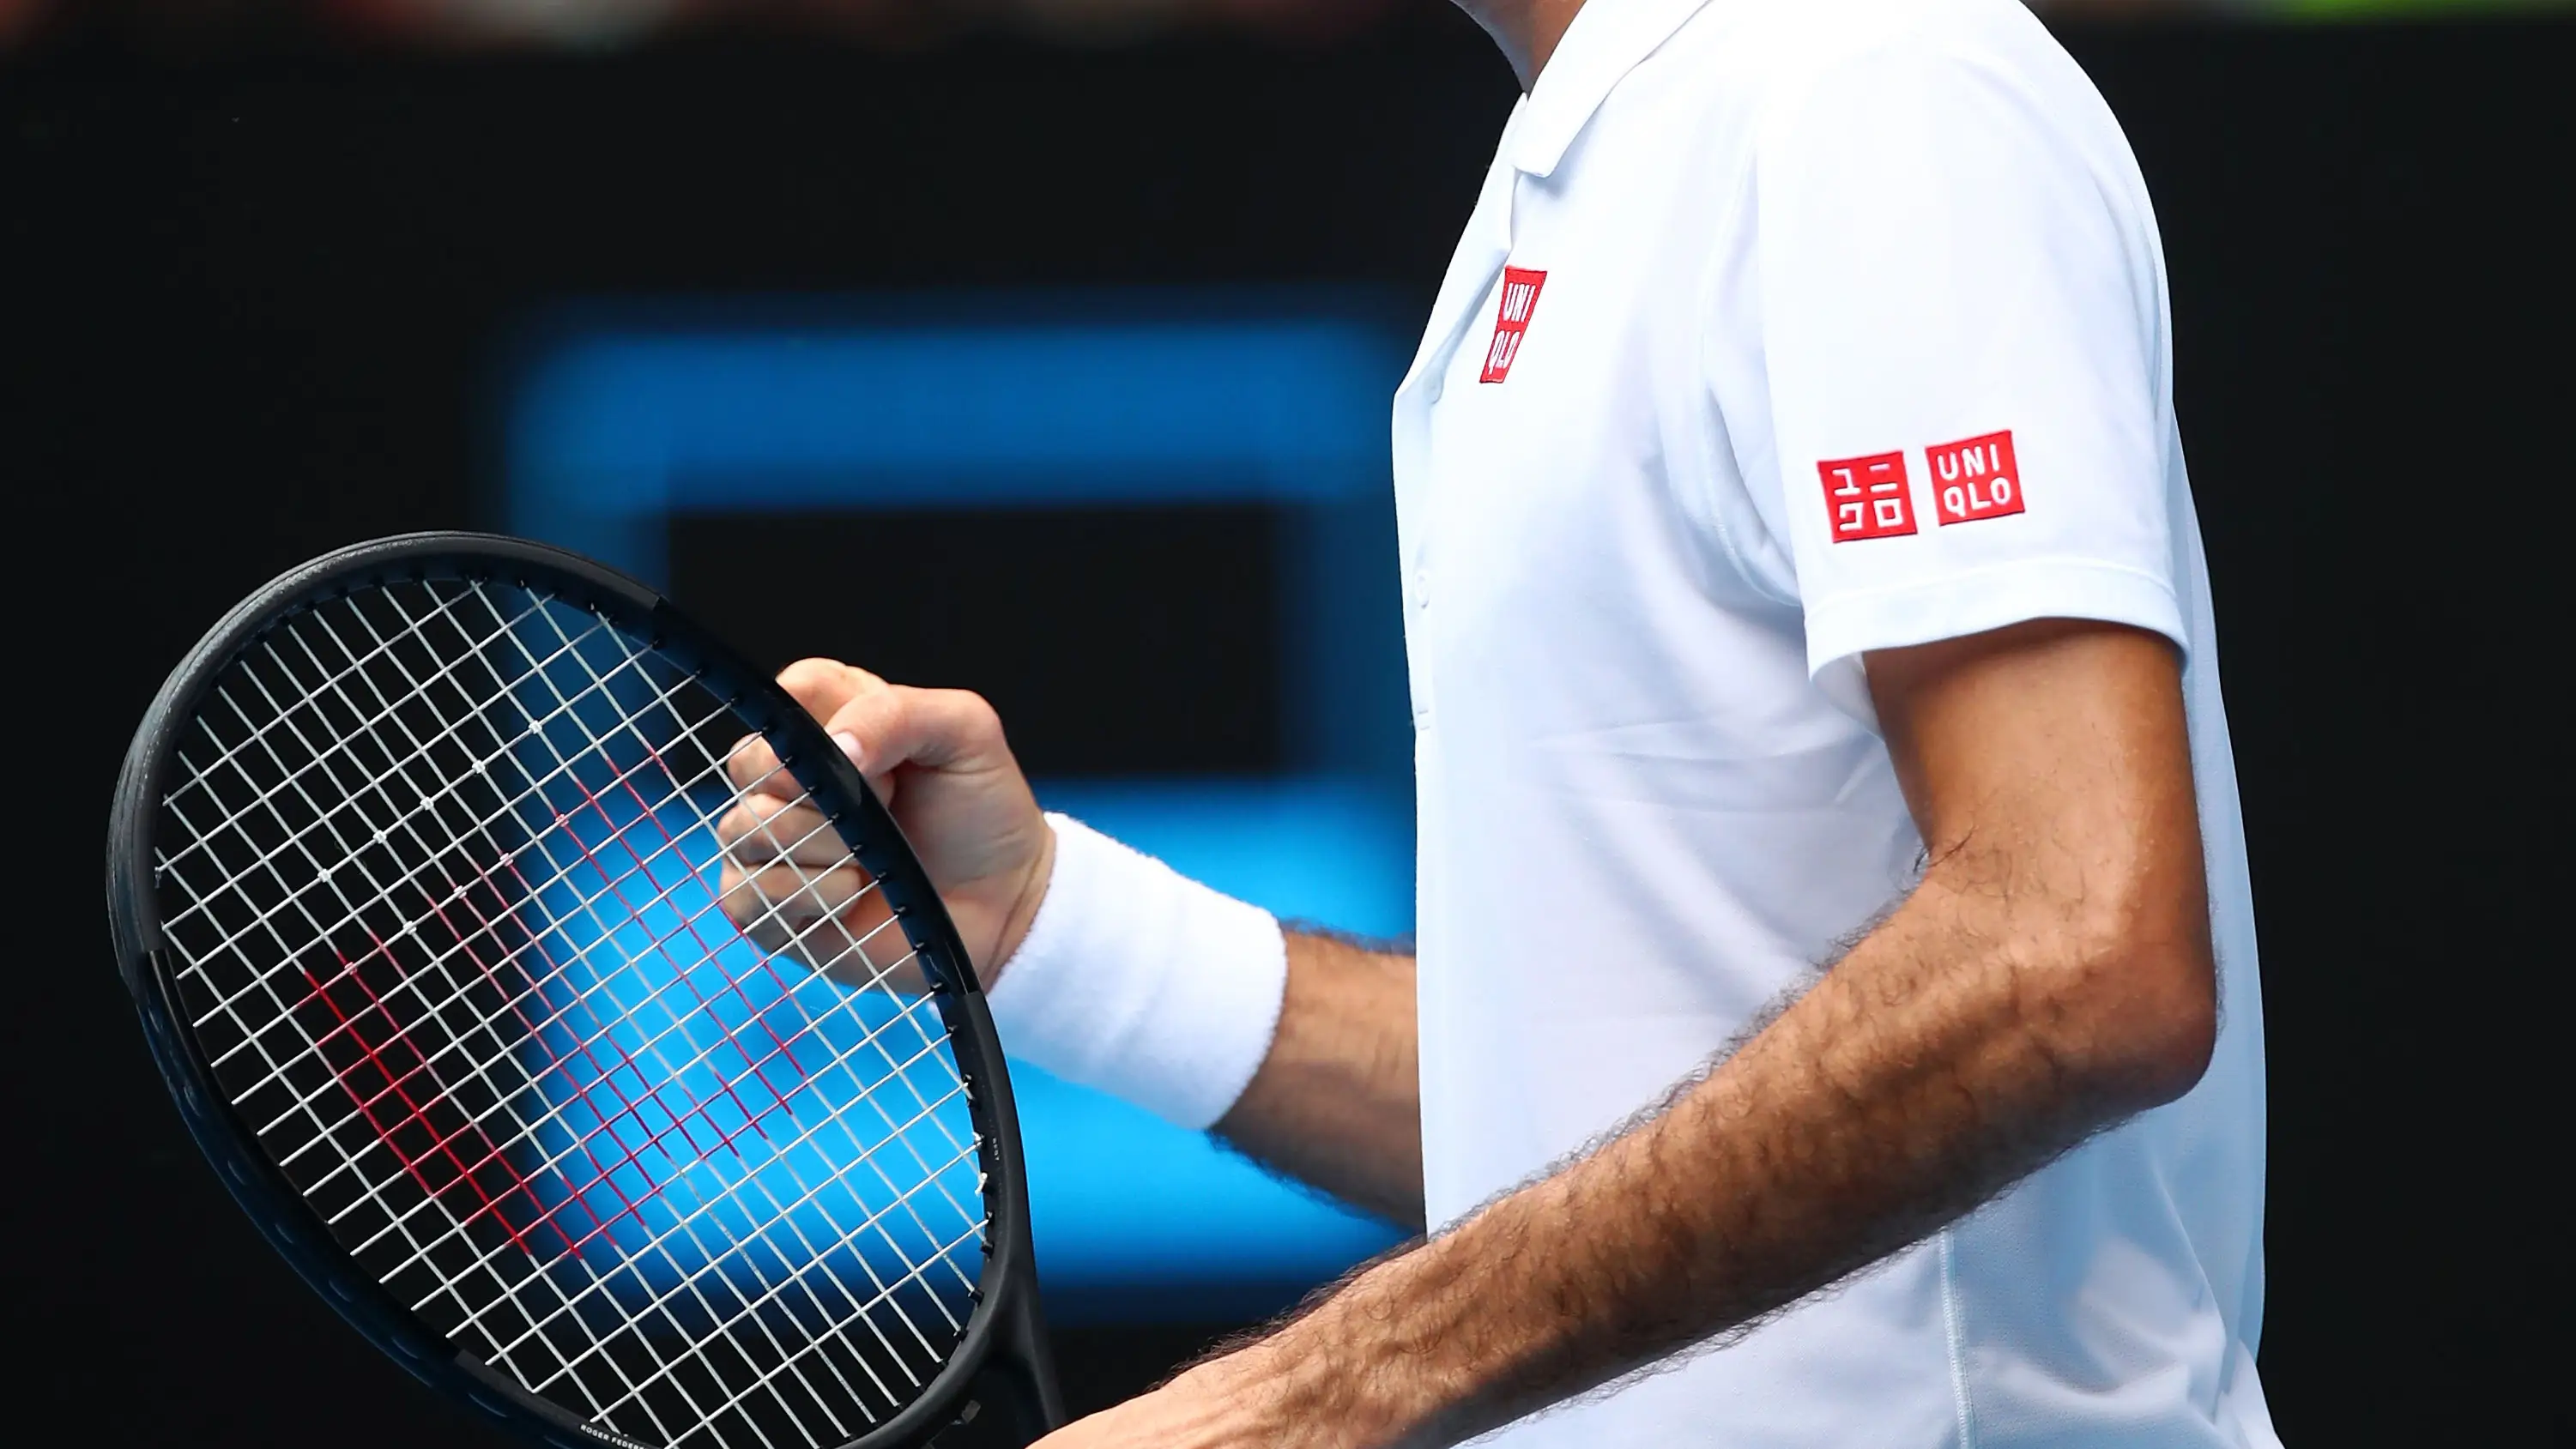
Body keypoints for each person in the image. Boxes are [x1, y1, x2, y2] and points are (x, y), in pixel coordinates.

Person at [717, 0, 2280, 1441]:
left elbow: (2079, 954)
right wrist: (1053, 927)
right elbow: (1610, 1123)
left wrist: (1303, 1399)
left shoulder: (1870, 83)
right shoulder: (1581, 160)